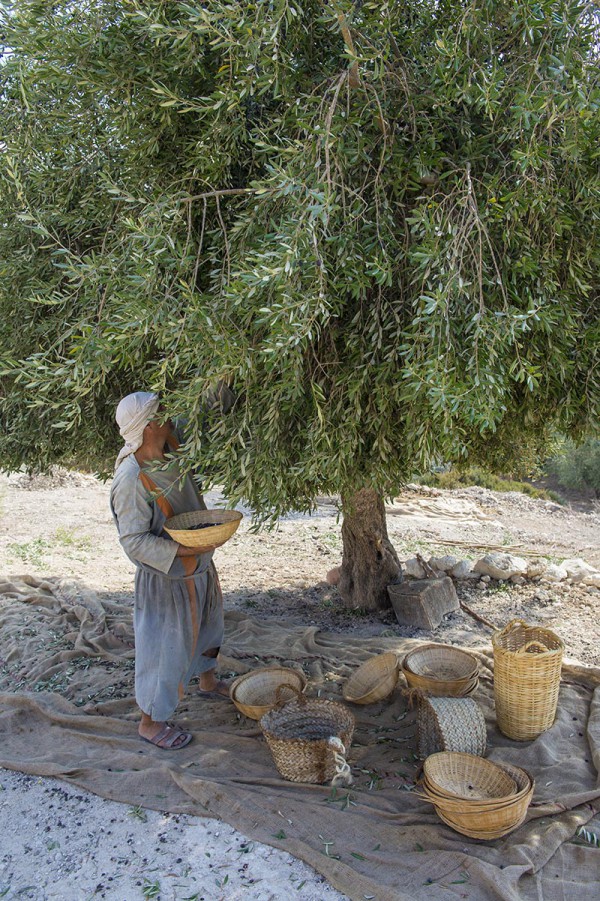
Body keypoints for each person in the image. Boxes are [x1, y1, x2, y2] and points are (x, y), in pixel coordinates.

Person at [110, 391, 229, 751]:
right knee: (165, 651)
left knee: (209, 628)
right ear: (148, 427)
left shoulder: (171, 446)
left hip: (198, 567)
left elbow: (206, 411)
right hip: (167, 580)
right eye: (161, 411)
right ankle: (151, 721)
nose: (168, 414)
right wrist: (183, 548)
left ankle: (207, 682)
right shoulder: (132, 479)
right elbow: (134, 542)